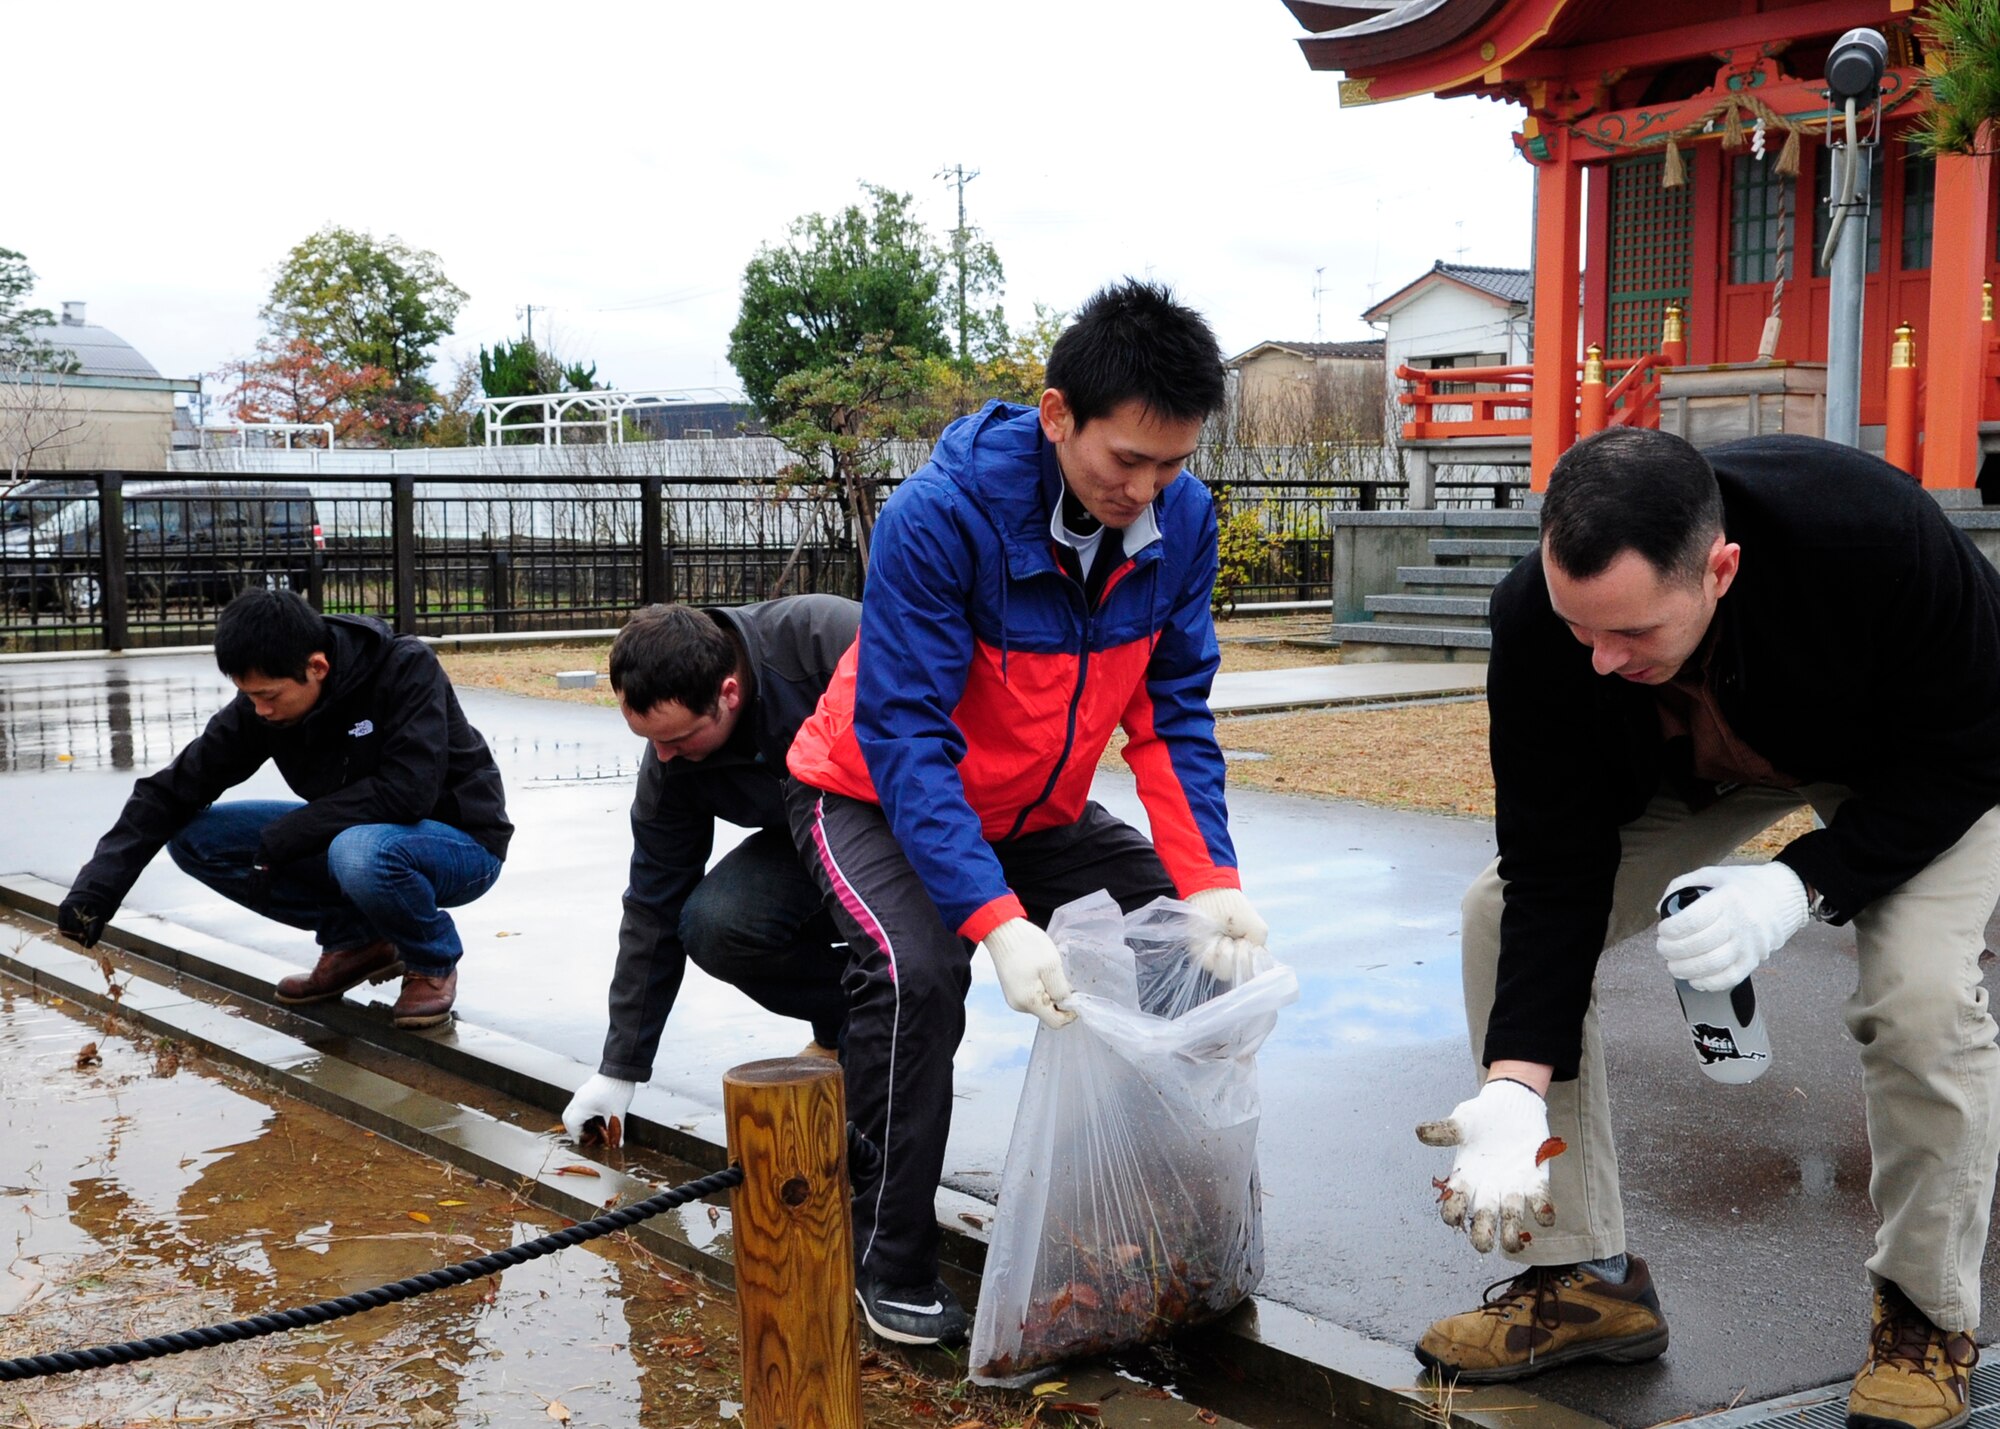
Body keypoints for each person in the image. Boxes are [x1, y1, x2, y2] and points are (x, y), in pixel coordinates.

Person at [1414, 428, 2000, 1429]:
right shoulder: (1537, 617)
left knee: (1918, 996)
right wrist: (1513, 1084)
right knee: (1497, 911)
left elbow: (1973, 747)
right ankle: (1579, 1280)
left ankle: (1922, 1314)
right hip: (1693, 762)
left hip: (1911, 767)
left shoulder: (1870, 539)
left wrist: (1796, 884)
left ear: (1717, 570)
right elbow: (1552, 864)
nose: (1596, 660)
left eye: (1630, 632)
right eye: (1577, 627)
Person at [783, 278, 1271, 1347]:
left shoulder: (1179, 523)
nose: (1144, 489)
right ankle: (886, 1252)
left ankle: (1146, 1222)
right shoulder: (938, 519)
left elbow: (1172, 712)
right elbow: (904, 733)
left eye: (1172, 464)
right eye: (1123, 460)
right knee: (917, 973)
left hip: (1033, 807)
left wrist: (1210, 882)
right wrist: (993, 917)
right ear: (1057, 417)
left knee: (1177, 944)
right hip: (866, 787)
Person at [56, 588, 511, 1029]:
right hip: (359, 840)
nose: (260, 710)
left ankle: (431, 960)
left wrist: (292, 832)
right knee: (197, 840)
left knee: (359, 850)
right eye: (249, 696)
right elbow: (169, 792)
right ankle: (358, 942)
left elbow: (409, 791)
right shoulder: (262, 706)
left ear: (317, 666)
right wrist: (95, 892)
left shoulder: (404, 666)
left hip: (460, 843)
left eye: (268, 696)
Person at [559, 597, 861, 1148]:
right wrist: (619, 1069)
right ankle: (851, 1021)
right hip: (806, 837)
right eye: (650, 740)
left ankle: (894, 1024)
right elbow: (654, 903)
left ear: (729, 693)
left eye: (677, 739)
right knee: (715, 923)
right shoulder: (670, 762)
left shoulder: (829, 643)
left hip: (912, 820)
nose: (664, 757)